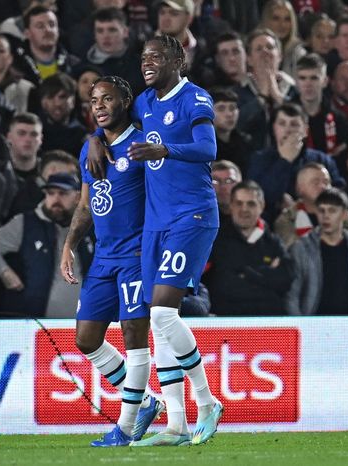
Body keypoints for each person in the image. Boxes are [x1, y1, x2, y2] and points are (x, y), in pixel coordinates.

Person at [86, 34, 223, 446]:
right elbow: (117, 128)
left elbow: (207, 147)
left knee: (163, 315)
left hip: (192, 215)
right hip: (155, 225)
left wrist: (165, 148)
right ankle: (177, 425)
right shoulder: (144, 102)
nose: (147, 63)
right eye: (144, 57)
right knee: (158, 323)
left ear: (177, 60)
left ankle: (207, 401)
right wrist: (95, 137)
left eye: (157, 57)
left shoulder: (194, 98)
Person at [60, 76, 163, 447]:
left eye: (108, 98)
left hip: (136, 257)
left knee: (135, 336)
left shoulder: (143, 147)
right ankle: (147, 401)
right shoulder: (91, 150)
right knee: (86, 339)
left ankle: (125, 426)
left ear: (125, 102)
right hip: (103, 258)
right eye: (93, 100)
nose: (99, 105)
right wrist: (70, 244)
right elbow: (87, 204)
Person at [0, 172, 92, 317]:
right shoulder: (26, 223)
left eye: (62, 193)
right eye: (50, 193)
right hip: (37, 324)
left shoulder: (92, 225)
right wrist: (5, 273)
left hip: (87, 321)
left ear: (77, 197)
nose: (55, 199)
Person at [204, 181, 294, 316]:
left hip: (268, 322)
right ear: (231, 206)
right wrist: (266, 275)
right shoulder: (214, 240)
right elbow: (221, 286)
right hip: (225, 321)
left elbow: (286, 281)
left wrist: (245, 273)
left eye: (251, 204)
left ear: (261, 206)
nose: (244, 209)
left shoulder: (273, 242)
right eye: (239, 203)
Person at [286, 187, 348, 315]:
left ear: (344, 215)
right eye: (321, 210)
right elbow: (292, 295)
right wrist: (301, 325)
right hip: (313, 325)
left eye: (332, 211)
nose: (325, 216)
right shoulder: (301, 249)